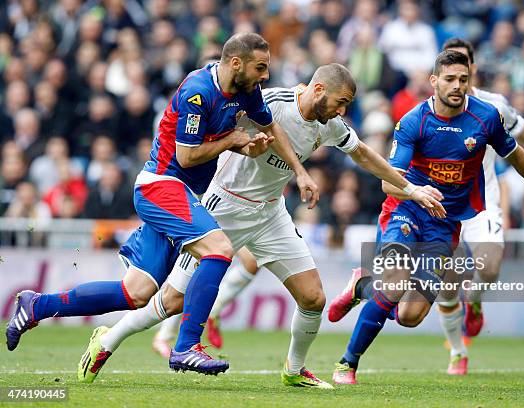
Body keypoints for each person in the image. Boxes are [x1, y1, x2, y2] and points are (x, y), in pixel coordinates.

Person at [81, 63, 444, 388]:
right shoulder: (271, 102)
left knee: (313, 297)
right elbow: (213, 128)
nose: (342, 111)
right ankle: (108, 339)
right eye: (340, 101)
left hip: (272, 214)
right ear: (318, 89)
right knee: (173, 300)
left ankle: (295, 369)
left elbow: (363, 153)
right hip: (224, 207)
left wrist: (409, 188)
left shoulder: (330, 125)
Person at [6, 33, 318, 379]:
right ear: (235, 63)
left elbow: (268, 123)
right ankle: (186, 345)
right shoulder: (197, 91)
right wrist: (234, 140)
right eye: (260, 67)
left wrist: (286, 165)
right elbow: (186, 156)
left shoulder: (247, 92)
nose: (265, 76)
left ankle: (37, 304)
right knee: (218, 250)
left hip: (184, 193)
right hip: (161, 186)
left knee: (136, 293)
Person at [326, 50, 524, 385]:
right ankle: (347, 363)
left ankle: (363, 287)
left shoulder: (486, 118)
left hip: (446, 224)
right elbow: (387, 183)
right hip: (405, 211)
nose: (457, 85)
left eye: (463, 79)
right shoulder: (413, 121)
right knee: (394, 284)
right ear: (434, 81)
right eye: (449, 79)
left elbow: (516, 154)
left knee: (409, 316)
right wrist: (416, 192)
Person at [431, 37, 524, 375]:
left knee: (491, 267)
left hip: (483, 202)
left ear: (472, 69)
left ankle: (476, 300)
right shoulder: (427, 111)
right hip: (441, 207)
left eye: (462, 68)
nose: (456, 77)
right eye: (449, 71)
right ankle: (456, 352)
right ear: (438, 75)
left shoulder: (493, 107)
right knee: (446, 281)